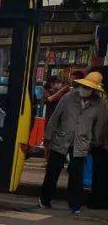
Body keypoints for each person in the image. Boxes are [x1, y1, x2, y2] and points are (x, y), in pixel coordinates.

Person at [40, 71, 105, 213]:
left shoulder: (99, 104)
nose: (87, 90)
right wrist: (47, 138)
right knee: (53, 171)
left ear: (95, 90)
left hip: (81, 143)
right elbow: (55, 118)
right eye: (86, 87)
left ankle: (75, 204)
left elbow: (99, 126)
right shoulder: (68, 98)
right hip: (61, 139)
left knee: (76, 175)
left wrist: (93, 143)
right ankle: (45, 199)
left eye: (90, 89)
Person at [89, 81, 108, 209]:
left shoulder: (103, 101)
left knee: (100, 174)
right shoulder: (103, 101)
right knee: (101, 174)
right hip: (101, 144)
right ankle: (98, 200)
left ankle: (97, 200)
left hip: (101, 144)